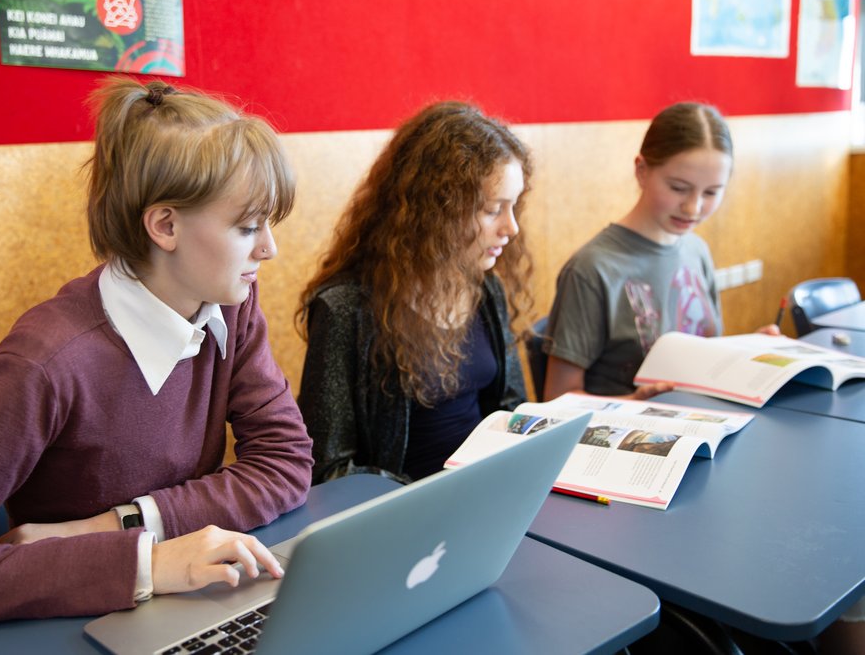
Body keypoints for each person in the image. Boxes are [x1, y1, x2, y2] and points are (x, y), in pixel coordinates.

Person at [0, 77, 313, 628]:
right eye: (247, 227)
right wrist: (148, 562)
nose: (270, 248)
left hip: (181, 601)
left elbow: (285, 462)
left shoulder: (229, 304)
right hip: (67, 620)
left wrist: (120, 526)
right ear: (165, 225)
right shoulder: (46, 363)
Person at [297, 101, 533, 484]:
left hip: (489, 487)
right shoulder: (345, 309)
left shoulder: (485, 287)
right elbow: (328, 465)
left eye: (513, 206)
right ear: (438, 210)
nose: (511, 228)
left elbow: (511, 407)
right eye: (492, 210)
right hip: (408, 504)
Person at [542, 101, 779, 401]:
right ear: (642, 171)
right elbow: (557, 397)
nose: (693, 208)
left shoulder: (696, 250)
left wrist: (749, 353)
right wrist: (634, 402)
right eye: (678, 188)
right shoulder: (591, 269)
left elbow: (703, 361)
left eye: (711, 192)